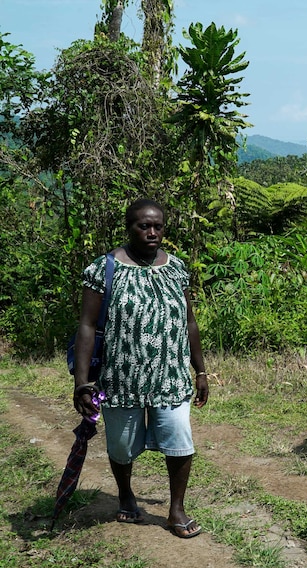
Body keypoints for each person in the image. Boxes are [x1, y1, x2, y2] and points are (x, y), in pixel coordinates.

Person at [72, 198, 209, 538]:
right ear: (129, 227)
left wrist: (201, 370)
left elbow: (189, 322)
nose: (152, 232)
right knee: (121, 447)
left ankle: (176, 509)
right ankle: (126, 494)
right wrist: (82, 382)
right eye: (143, 226)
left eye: (158, 226)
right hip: (121, 378)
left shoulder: (176, 268)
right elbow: (87, 326)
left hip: (170, 376)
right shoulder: (105, 269)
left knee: (179, 441)